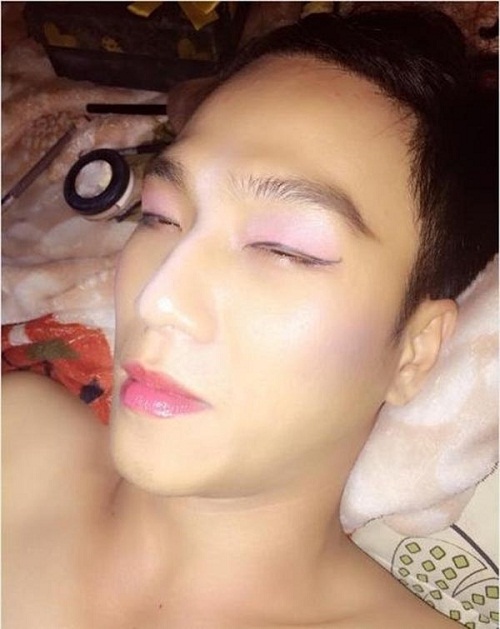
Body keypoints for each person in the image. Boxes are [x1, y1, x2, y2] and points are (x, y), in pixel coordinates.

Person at [3, 8, 496, 628]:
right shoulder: (15, 431)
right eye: (160, 215)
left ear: (415, 351)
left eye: (283, 249)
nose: (159, 300)